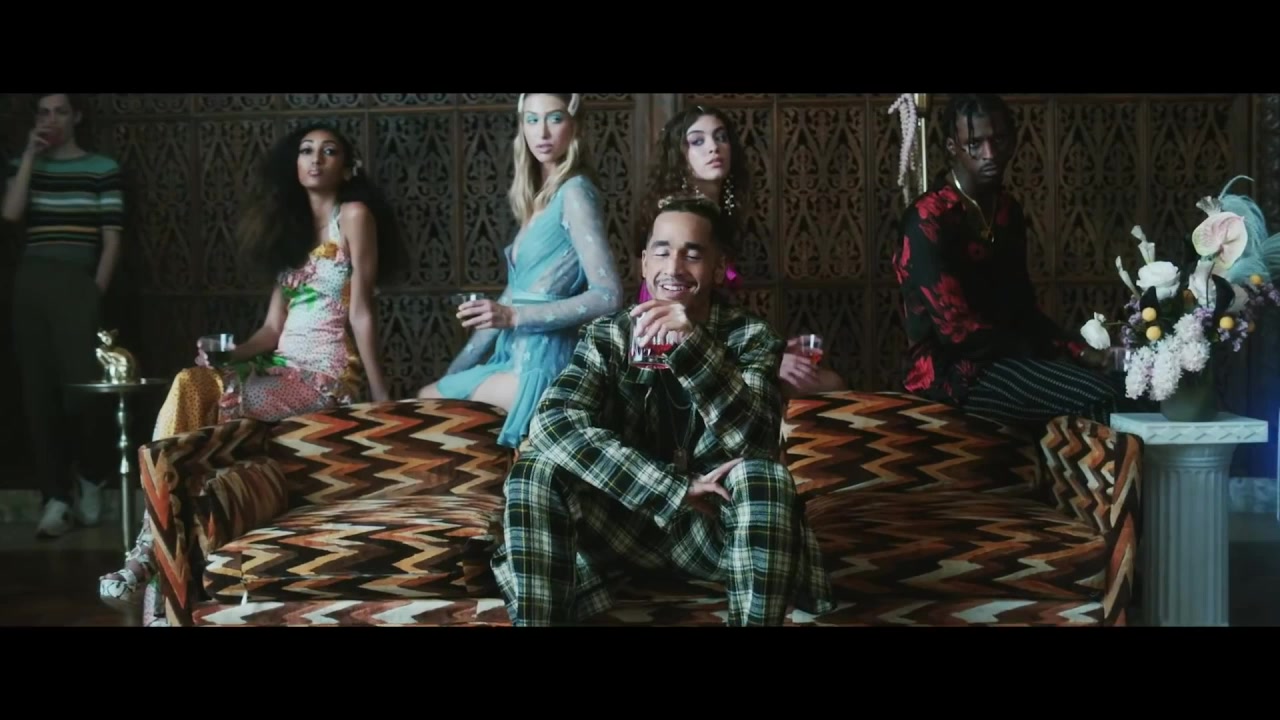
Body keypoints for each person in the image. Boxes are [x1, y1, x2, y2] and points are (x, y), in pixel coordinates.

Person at [98, 122, 397, 623]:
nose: (316, 159)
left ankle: (145, 559)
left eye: (329, 151)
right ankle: (157, 564)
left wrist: (381, 394)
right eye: (306, 150)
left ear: (348, 167)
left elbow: (362, 309)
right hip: (278, 368)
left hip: (323, 376)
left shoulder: (353, 216)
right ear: (293, 164)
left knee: (205, 422)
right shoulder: (291, 233)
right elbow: (271, 329)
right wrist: (229, 356)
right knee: (191, 384)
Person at [490, 193, 834, 626]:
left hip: (712, 532)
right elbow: (552, 423)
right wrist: (671, 488)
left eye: (693, 255)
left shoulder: (750, 336)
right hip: (623, 525)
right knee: (533, 470)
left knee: (765, 478)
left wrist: (693, 347)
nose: (673, 268)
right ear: (644, 264)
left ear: (716, 269)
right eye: (662, 251)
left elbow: (755, 441)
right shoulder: (610, 336)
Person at [892, 93, 1120, 428]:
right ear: (953, 147)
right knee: (1100, 395)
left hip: (1007, 358)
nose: (990, 154)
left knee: (1122, 385)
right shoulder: (928, 218)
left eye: (998, 140)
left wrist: (1078, 349)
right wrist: (1044, 354)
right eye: (975, 144)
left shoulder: (1006, 211)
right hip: (951, 374)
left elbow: (1023, 309)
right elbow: (957, 333)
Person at [418, 93, 623, 448]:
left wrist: (514, 317)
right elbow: (512, 296)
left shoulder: (575, 191)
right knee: (428, 400)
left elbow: (609, 296)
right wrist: (454, 372)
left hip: (543, 364)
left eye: (554, 118)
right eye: (532, 119)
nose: (542, 132)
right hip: (512, 356)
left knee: (429, 411)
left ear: (575, 125)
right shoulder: (540, 198)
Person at [634, 104, 846, 398]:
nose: (714, 147)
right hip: (670, 345)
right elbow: (685, 315)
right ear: (679, 155)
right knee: (828, 385)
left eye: (721, 137)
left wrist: (772, 349)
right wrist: (769, 359)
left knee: (825, 380)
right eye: (698, 141)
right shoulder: (678, 216)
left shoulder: (721, 214)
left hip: (716, 340)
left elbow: (721, 316)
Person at [3, 93, 120, 539]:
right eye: (43, 112)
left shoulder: (101, 168)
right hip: (31, 280)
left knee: (82, 391)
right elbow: (11, 213)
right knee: (38, 394)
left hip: (78, 281)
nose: (51, 119)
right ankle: (55, 496)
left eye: (60, 112)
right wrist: (31, 158)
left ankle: (90, 476)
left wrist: (93, 293)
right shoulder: (25, 165)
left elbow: (112, 239)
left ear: (77, 117)